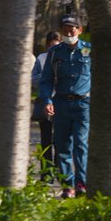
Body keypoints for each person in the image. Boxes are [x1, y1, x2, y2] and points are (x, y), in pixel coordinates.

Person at [40, 13, 93, 197]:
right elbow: (46, 79)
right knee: (62, 146)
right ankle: (67, 185)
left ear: (79, 30)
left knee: (80, 144)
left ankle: (81, 183)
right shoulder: (55, 52)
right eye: (65, 29)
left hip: (83, 103)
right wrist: (47, 100)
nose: (69, 32)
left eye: (72, 28)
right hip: (61, 102)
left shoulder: (89, 50)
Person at [31, 31, 60, 175]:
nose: (53, 48)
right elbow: (33, 79)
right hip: (45, 102)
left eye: (57, 45)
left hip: (61, 102)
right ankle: (46, 172)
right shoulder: (41, 58)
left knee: (60, 140)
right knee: (46, 140)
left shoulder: (65, 57)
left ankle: (60, 170)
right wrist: (46, 77)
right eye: (51, 45)